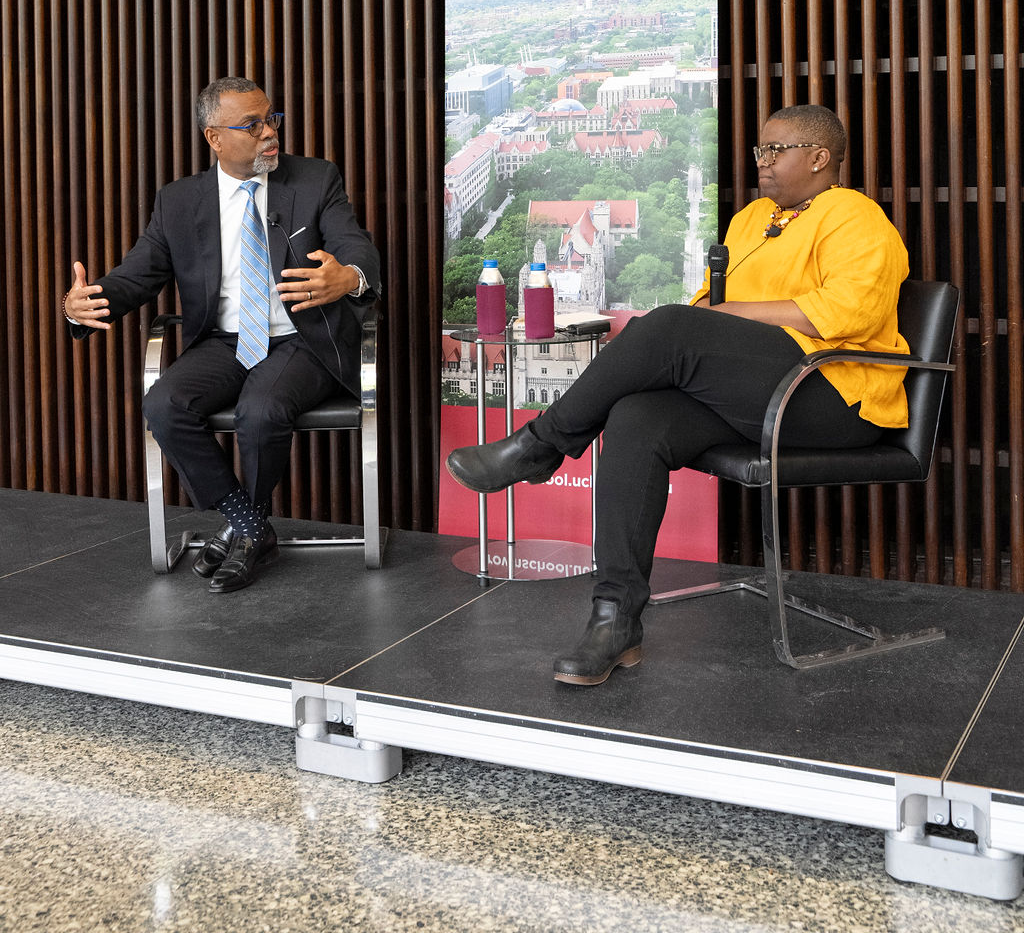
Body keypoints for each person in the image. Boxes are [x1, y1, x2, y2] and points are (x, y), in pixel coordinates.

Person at [446, 105, 910, 685]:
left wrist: (720, 317)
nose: (761, 161)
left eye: (776, 150)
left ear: (819, 158)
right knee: (636, 416)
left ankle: (541, 443)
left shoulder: (857, 218)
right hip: (756, 391)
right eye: (759, 149)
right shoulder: (753, 220)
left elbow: (844, 313)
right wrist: (710, 319)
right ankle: (615, 620)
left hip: (832, 396)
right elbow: (705, 307)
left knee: (668, 325)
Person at [63, 77, 381, 593]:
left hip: (300, 337)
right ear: (213, 138)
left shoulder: (314, 179)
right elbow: (137, 275)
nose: (268, 134)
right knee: (163, 402)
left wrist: (350, 276)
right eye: (250, 125)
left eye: (271, 119)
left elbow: (355, 245)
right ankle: (250, 524)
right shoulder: (179, 201)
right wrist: (83, 304)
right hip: (224, 340)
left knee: (262, 409)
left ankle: (243, 532)